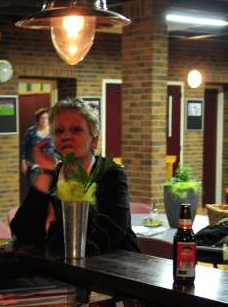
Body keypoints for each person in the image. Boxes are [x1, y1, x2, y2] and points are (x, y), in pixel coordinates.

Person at [11, 99, 139, 255]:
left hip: (115, 266)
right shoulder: (53, 175)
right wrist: (45, 174)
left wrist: (50, 227)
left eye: (76, 130)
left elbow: (107, 235)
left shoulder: (111, 174)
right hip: (61, 265)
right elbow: (21, 231)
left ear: (94, 140)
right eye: (59, 131)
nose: (66, 136)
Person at [20, 107, 56, 189]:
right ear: (38, 119)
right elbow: (24, 147)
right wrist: (23, 162)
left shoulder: (53, 131)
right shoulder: (31, 131)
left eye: (46, 118)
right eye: (42, 118)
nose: (44, 120)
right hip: (34, 166)